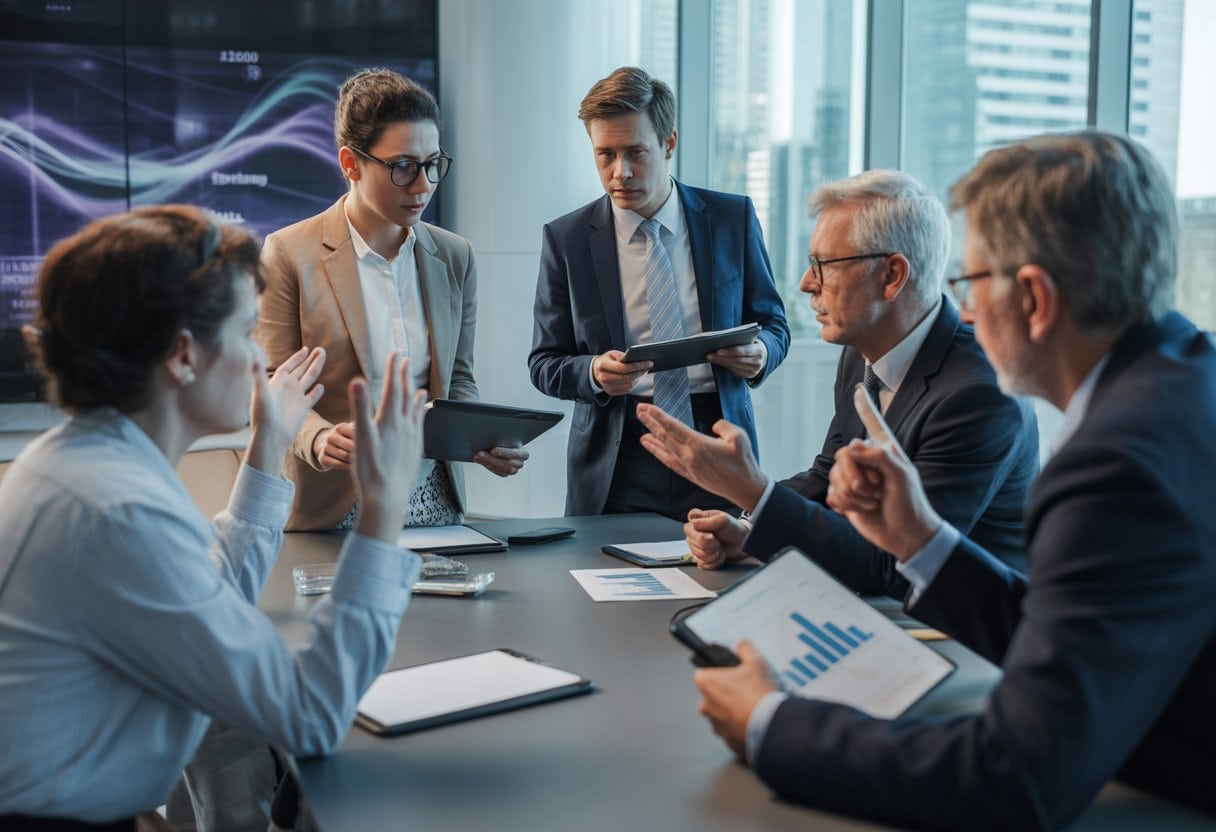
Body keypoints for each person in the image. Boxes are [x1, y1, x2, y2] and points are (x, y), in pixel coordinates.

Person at [688, 132, 1216, 829]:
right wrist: (922, 541)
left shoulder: (1115, 464)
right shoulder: (1184, 375)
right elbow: (1076, 633)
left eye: (969, 284)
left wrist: (771, 723)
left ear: (1033, 297)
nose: (961, 312)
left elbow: (1013, 776)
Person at [0, 206, 430, 828]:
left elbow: (205, 587)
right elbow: (306, 714)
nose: (264, 362)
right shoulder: (114, 511)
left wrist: (268, 440)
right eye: (246, 333)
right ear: (182, 354)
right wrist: (384, 508)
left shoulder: (85, 463)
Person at [636, 170, 1037, 597]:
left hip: (961, 632)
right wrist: (750, 529)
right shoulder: (861, 352)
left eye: (823, 265)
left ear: (891, 275)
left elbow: (897, 564)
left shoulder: (980, 394)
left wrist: (752, 490)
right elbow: (827, 476)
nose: (807, 284)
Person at [257, 67, 526, 532]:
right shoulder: (288, 253)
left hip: (434, 501)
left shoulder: (453, 255)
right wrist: (317, 437)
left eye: (432, 164)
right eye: (403, 166)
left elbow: (457, 378)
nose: (422, 185)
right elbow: (268, 381)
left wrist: (481, 439)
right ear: (350, 163)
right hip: (336, 504)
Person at [528, 66, 790, 521]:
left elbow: (774, 325)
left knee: (721, 583)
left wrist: (762, 353)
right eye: (605, 154)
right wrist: (593, 372)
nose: (620, 172)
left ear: (669, 143)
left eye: (635, 152)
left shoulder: (733, 219)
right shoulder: (566, 239)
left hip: (717, 439)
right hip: (618, 451)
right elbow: (544, 362)